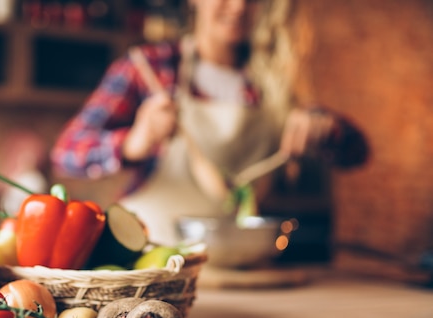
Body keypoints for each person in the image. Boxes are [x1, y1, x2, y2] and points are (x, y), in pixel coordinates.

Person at [51, 0, 368, 247]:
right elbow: (66, 153)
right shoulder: (149, 67)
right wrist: (135, 141)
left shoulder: (274, 82)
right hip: (151, 255)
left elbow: (356, 153)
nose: (240, 6)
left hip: (240, 260)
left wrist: (325, 128)